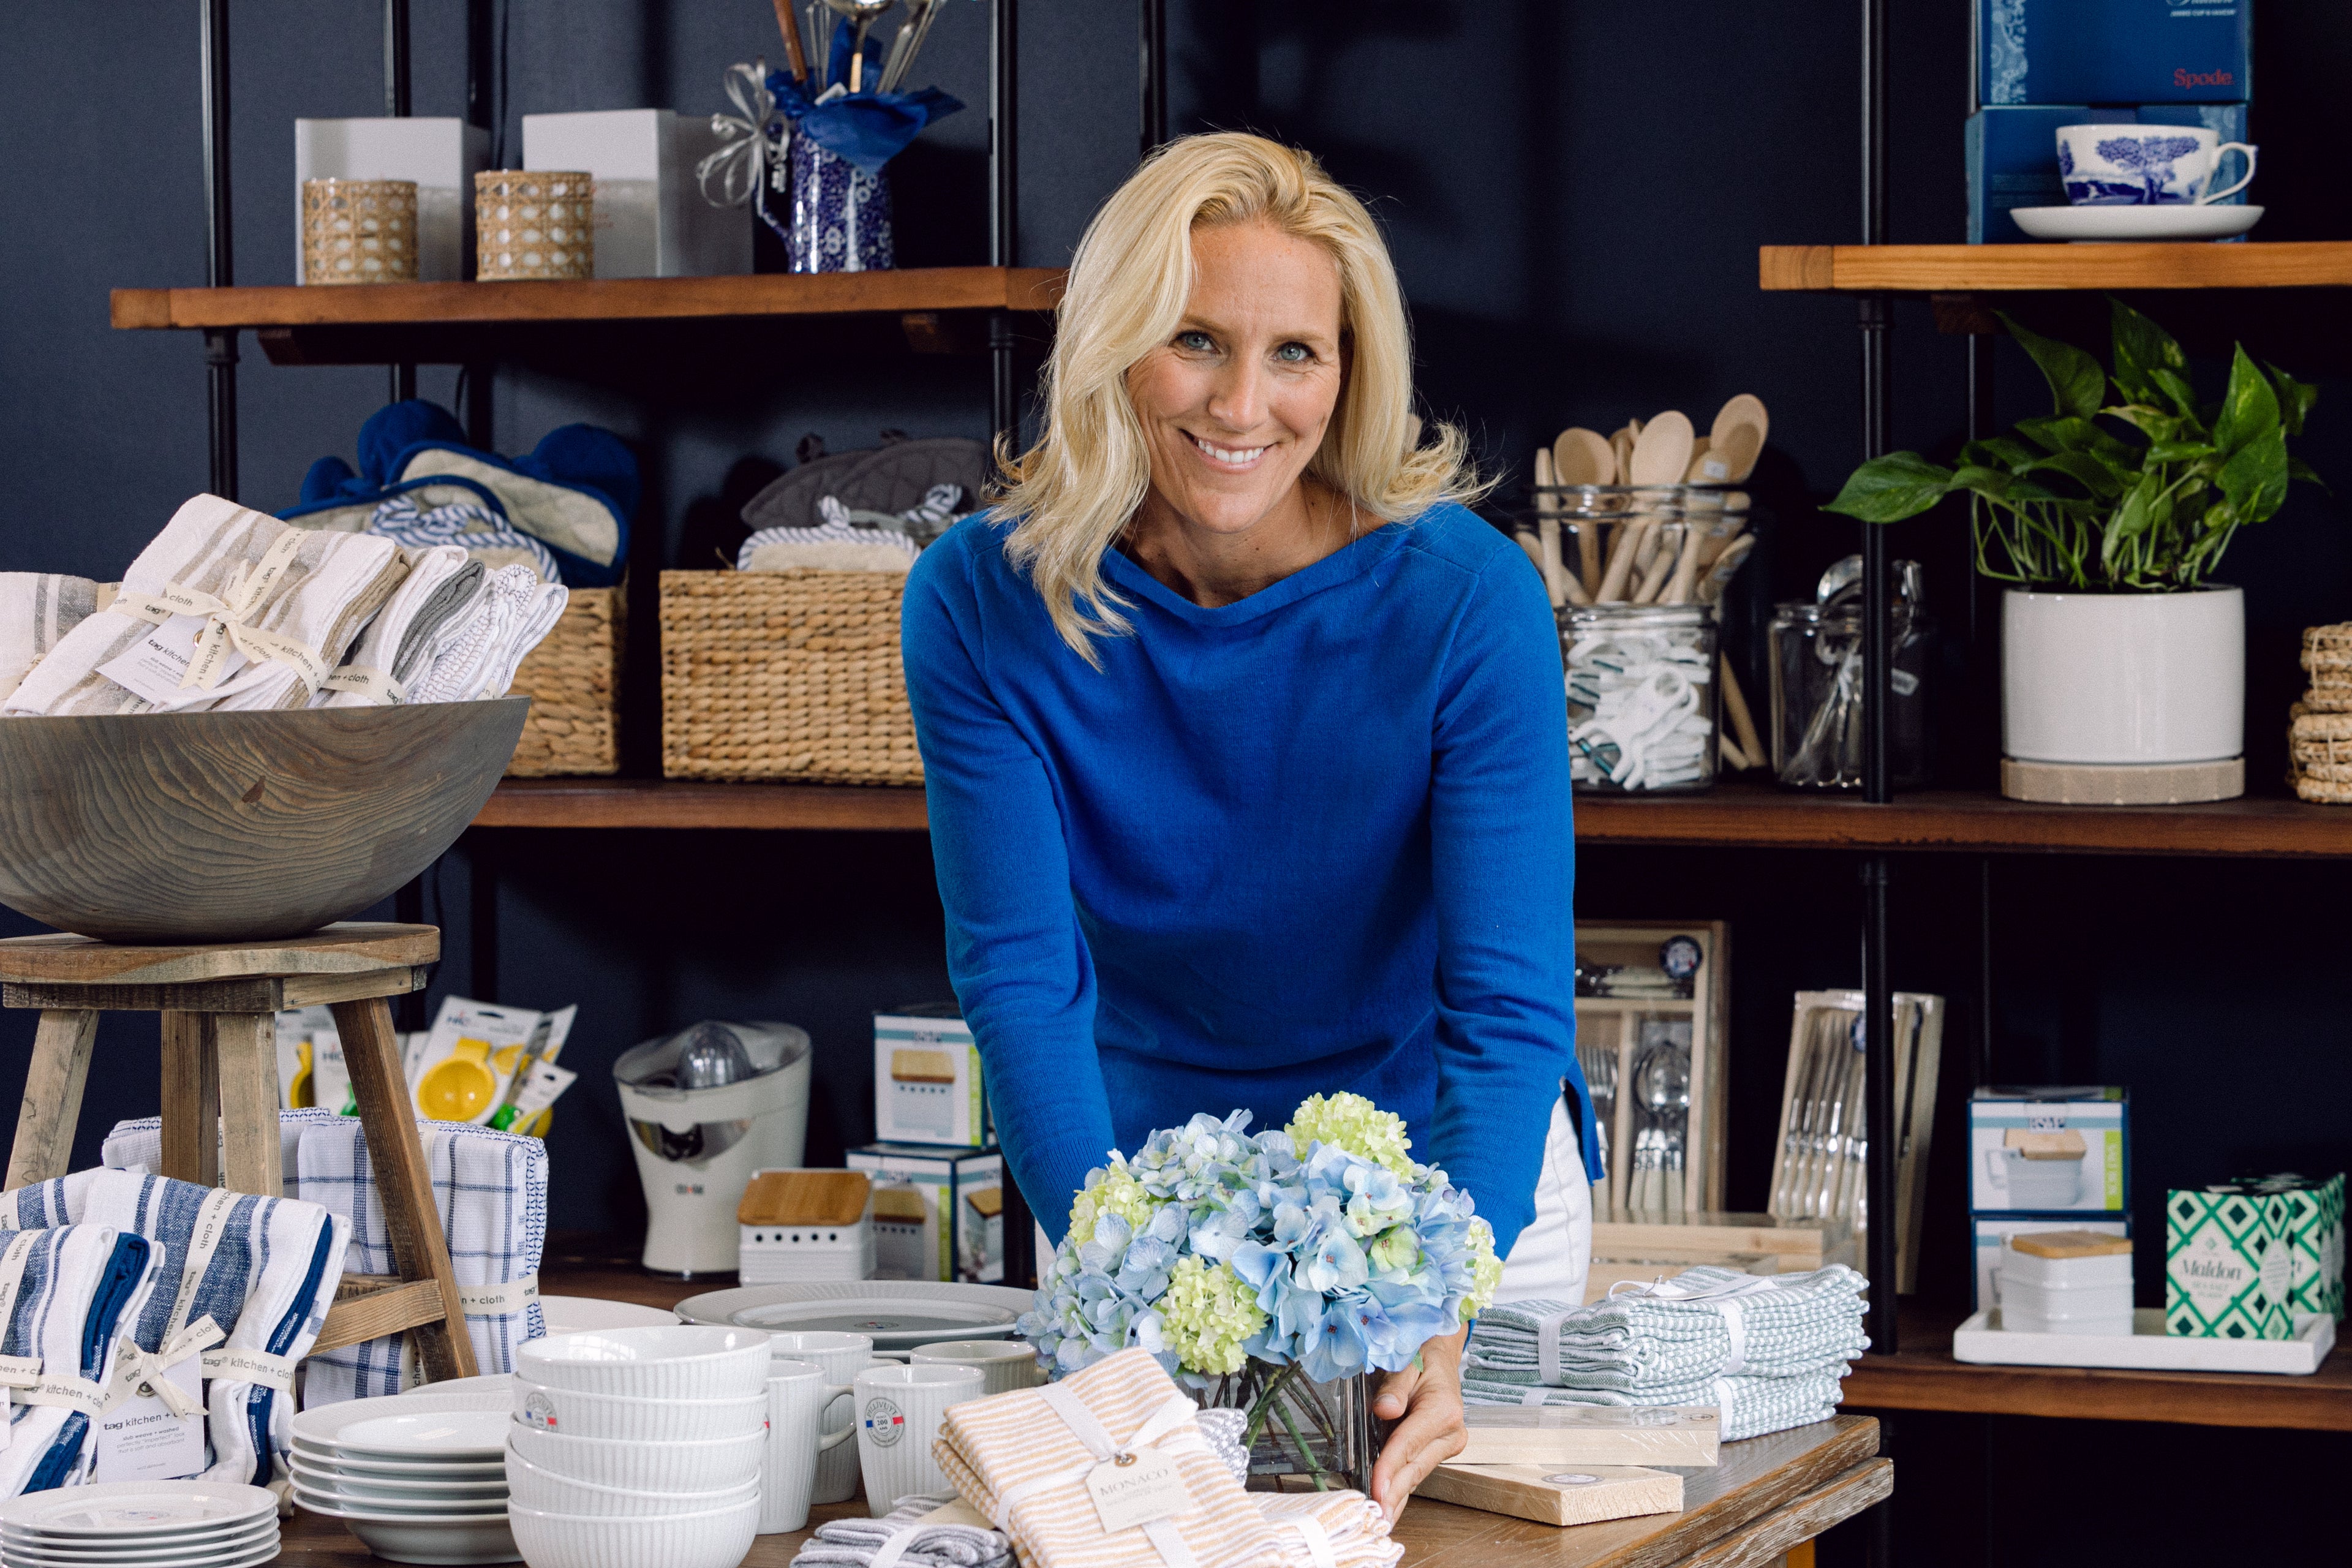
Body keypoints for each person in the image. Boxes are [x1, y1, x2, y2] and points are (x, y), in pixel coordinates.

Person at [902, 132, 1596, 1514]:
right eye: (1196, 341)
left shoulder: (1466, 599)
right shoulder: (980, 601)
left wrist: (1438, 1302)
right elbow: (1022, 982)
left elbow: (1508, 1006)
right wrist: (1111, 1267)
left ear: (1349, 371)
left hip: (1445, 1187)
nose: (1243, 403)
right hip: (1131, 1189)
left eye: (1296, 353)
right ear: (1116, 346)